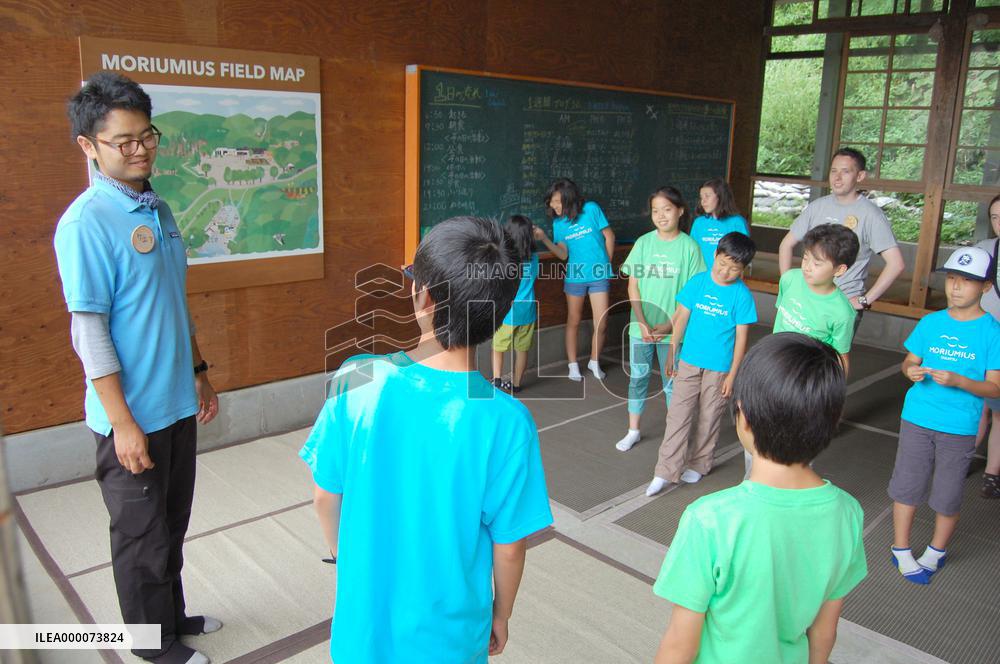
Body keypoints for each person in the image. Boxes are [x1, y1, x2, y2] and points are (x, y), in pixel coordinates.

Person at [301, 216, 554, 662]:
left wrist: (347, 559)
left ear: (422, 296)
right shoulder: (508, 421)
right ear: (498, 314)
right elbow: (511, 546)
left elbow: (325, 496)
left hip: (363, 631)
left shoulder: (357, 379)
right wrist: (501, 615)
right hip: (451, 639)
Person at [53, 71, 221, 664]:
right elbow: (89, 333)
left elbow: (173, 301)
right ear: (89, 146)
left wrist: (199, 369)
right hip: (131, 418)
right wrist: (123, 423)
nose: (140, 149)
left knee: (171, 524)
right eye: (123, 141)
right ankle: (151, 646)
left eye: (146, 135)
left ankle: (171, 619)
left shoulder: (158, 206)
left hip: (175, 404)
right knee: (139, 537)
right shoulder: (86, 222)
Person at [652, 333, 867, 664]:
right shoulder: (847, 513)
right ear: (831, 421)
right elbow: (824, 631)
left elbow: (680, 645)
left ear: (744, 418)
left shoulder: (710, 519)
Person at [889, 246, 1000, 585]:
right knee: (907, 486)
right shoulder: (931, 322)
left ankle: (936, 550)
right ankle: (900, 548)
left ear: (986, 287)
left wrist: (960, 381)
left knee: (948, 494)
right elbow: (909, 361)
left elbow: (995, 388)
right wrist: (910, 371)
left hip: (959, 426)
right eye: (952, 278)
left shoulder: (992, 332)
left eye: (966, 281)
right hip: (917, 419)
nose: (955, 287)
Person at [646, 233, 757, 496]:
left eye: (734, 268)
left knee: (709, 415)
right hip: (689, 361)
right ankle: (664, 471)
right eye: (722, 263)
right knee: (678, 414)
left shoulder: (742, 296)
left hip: (720, 368)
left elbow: (741, 340)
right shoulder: (698, 282)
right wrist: (672, 351)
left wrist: (733, 375)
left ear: (743, 269)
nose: (725, 271)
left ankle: (699, 463)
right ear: (715, 255)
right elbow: (681, 319)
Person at [615, 187, 704, 452]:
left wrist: (669, 325)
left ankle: (674, 436)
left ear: (680, 211)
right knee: (638, 378)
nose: (661, 216)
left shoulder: (690, 247)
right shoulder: (643, 243)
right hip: (640, 329)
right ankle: (633, 430)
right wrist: (641, 322)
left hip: (674, 330)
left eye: (667, 209)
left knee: (672, 384)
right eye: (656, 211)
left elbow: (691, 294)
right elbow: (633, 286)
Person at [778, 147, 905, 328]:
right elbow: (786, 245)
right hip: (807, 298)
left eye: (845, 172)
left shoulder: (871, 214)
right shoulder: (817, 207)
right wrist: (788, 286)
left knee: (831, 348)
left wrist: (864, 300)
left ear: (860, 176)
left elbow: (896, 264)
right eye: (833, 171)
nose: (837, 177)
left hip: (843, 301)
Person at [533, 178, 615, 381]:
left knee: (602, 322)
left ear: (569, 198)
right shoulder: (558, 223)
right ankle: (573, 365)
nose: (554, 205)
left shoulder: (591, 209)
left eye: (557, 201)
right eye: (551, 202)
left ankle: (594, 361)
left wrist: (606, 265)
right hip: (575, 276)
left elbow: (609, 236)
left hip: (598, 275)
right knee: (573, 320)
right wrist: (544, 239)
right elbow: (563, 254)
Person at [773, 223, 860, 373]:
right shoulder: (789, 279)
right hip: (775, 361)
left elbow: (841, 356)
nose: (807, 267)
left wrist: (838, 387)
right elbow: (780, 319)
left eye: (817, 264)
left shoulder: (843, 313)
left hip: (807, 374)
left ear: (839, 270)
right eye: (805, 258)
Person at [492, 215, 539, 394]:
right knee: (522, 349)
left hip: (509, 312)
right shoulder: (534, 258)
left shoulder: (506, 260)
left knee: (498, 346)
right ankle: (516, 384)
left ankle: (497, 381)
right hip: (528, 310)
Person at [973, 193, 1000, 498]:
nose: (999, 222)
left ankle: (992, 473)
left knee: (999, 411)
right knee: (976, 405)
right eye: (994, 217)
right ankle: (963, 456)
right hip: (980, 339)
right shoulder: (983, 250)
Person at [689, 178, 749, 270]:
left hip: (726, 275)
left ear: (720, 196)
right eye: (701, 197)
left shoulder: (737, 222)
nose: (703, 201)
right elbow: (692, 251)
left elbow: (743, 255)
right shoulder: (699, 223)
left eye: (707, 196)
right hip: (702, 274)